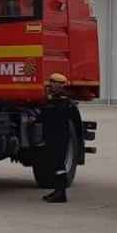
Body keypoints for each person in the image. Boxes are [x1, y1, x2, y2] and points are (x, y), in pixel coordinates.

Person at [39, 72, 84, 203]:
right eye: (51, 82)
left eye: (54, 83)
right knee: (53, 164)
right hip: (53, 136)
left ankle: (61, 193)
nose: (51, 85)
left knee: (58, 164)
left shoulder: (63, 102)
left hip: (58, 137)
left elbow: (71, 122)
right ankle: (57, 191)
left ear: (60, 85)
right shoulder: (55, 100)